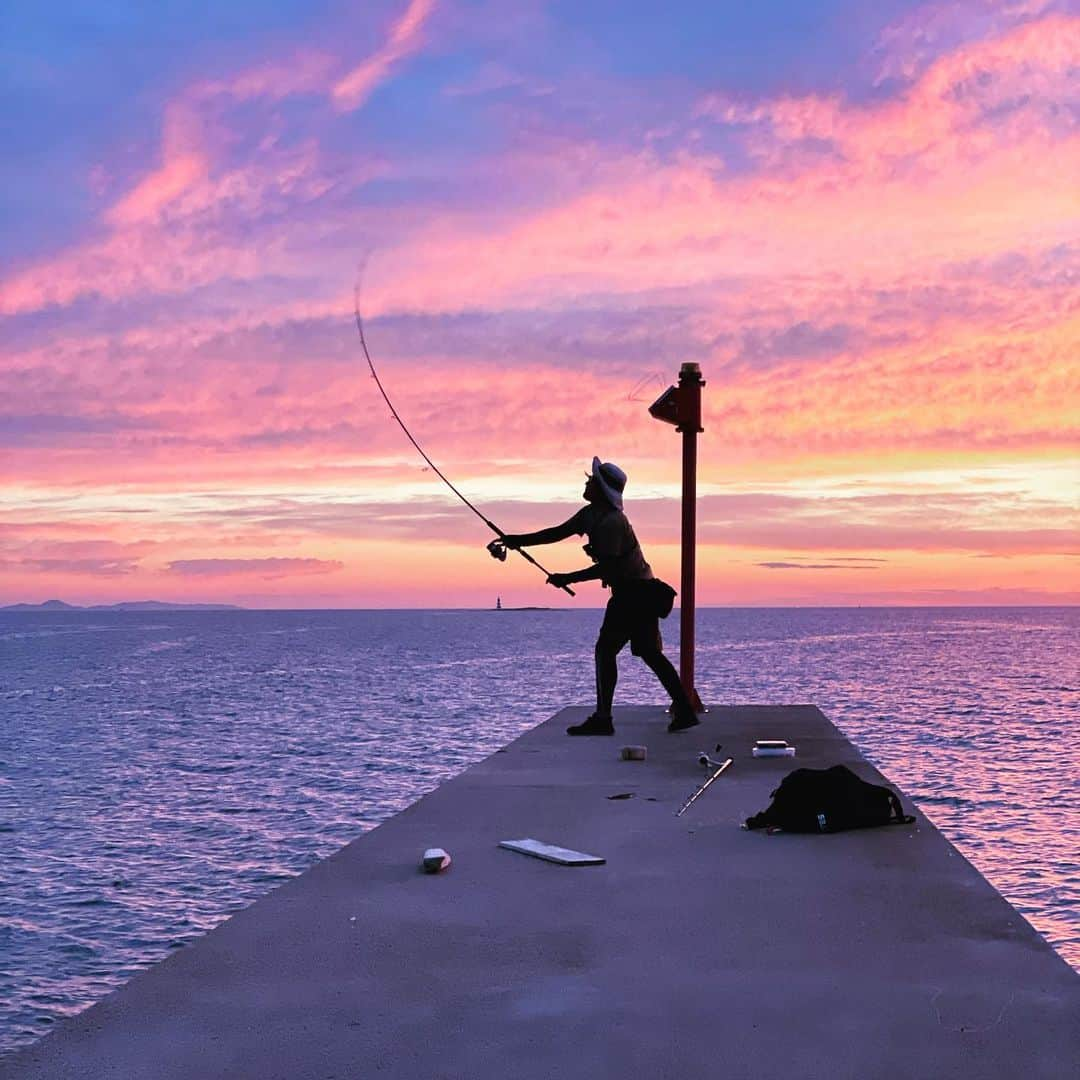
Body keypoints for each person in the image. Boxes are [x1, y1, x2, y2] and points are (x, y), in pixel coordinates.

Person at [495, 457, 700, 736]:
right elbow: (556, 533)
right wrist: (516, 540)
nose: (586, 482)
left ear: (601, 489)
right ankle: (684, 710)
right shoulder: (590, 514)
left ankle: (604, 718)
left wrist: (567, 578)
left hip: (634, 594)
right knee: (649, 653)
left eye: (591, 480)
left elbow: (609, 567)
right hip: (635, 592)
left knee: (607, 651)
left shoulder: (612, 523)